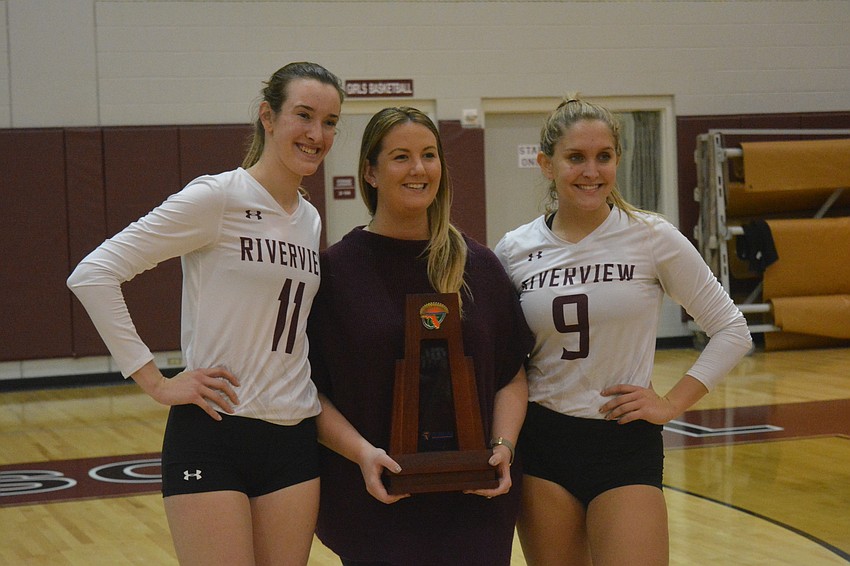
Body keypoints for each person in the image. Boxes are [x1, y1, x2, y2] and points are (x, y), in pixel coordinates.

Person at [67, 62, 344, 566]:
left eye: (329, 122)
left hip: (293, 436)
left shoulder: (309, 218)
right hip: (215, 431)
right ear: (268, 116)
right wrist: (155, 381)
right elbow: (93, 274)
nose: (316, 134)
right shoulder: (217, 197)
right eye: (303, 115)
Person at [494, 96, 753, 566]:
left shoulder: (652, 236)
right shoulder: (514, 249)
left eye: (604, 157)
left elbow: (732, 328)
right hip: (544, 440)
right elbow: (499, 356)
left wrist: (671, 402)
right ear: (546, 164)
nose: (591, 171)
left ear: (617, 160)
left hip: (624, 440)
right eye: (575, 158)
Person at [306, 106, 534, 566]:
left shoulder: (480, 266)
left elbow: (511, 375)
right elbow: (309, 393)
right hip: (379, 500)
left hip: (475, 505)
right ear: (370, 172)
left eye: (429, 155)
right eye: (400, 157)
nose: (418, 169)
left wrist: (502, 447)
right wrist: (364, 455)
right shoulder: (335, 273)